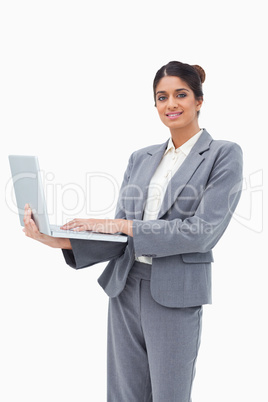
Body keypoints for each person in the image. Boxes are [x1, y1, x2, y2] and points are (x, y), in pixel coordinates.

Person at [23, 60, 243, 402]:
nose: (171, 104)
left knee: (169, 395)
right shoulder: (141, 158)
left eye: (180, 95)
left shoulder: (222, 154)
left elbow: (201, 232)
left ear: (199, 100)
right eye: (161, 97)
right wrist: (54, 239)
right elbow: (121, 240)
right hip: (126, 287)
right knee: (124, 395)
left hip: (175, 293)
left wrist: (121, 224)